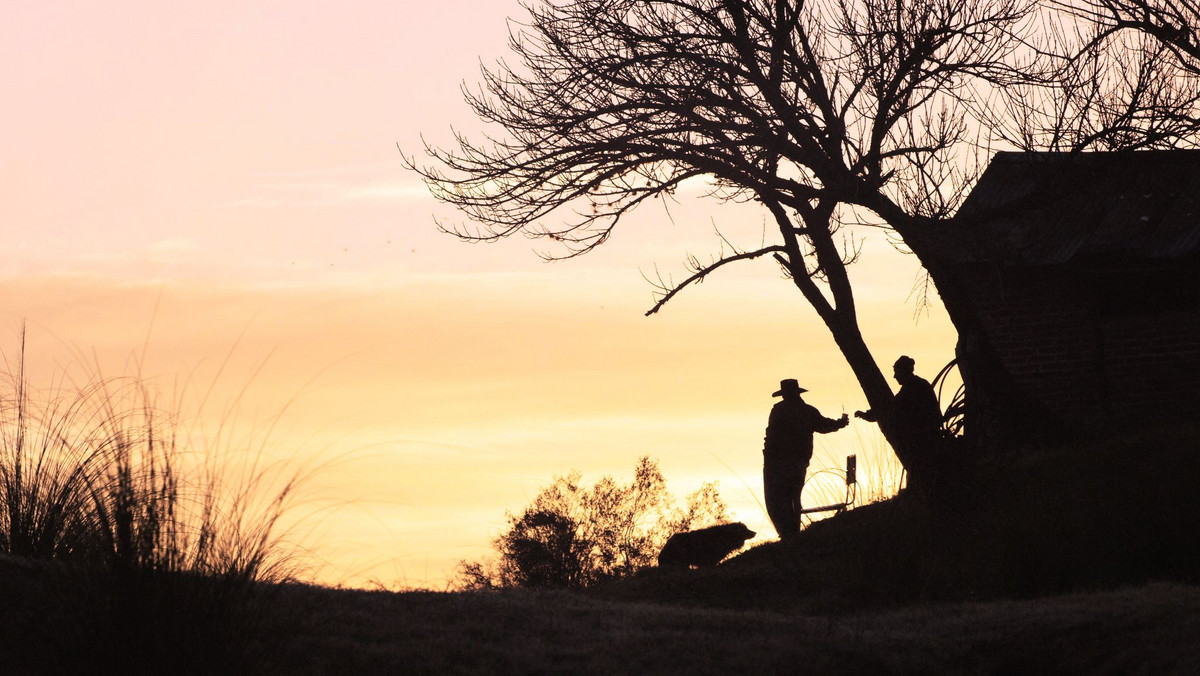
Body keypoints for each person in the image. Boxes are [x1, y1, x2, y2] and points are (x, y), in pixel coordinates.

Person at [762, 378, 849, 540]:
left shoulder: (778, 410)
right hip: (798, 462)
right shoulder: (807, 411)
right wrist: (840, 423)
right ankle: (792, 532)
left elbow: (770, 435)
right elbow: (824, 425)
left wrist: (768, 457)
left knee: (776, 499)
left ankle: (786, 534)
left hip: (777, 463)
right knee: (793, 497)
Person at [855, 355, 943, 492]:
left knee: (920, 467)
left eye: (896, 372)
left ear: (904, 371)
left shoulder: (912, 388)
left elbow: (891, 408)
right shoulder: (918, 384)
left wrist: (868, 415)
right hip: (928, 432)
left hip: (924, 435)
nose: (895, 377)